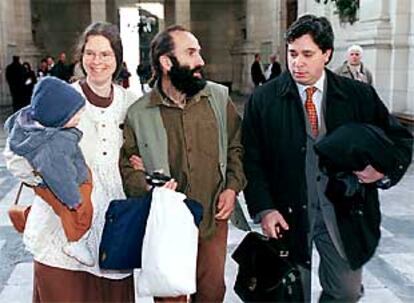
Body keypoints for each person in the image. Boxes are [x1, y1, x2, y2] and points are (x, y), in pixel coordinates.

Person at [242, 14, 413, 302]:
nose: (298, 62)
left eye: (307, 54)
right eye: (293, 53)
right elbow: (251, 158)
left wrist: (381, 171)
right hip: (288, 215)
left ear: (327, 54)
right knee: (291, 293)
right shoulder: (264, 99)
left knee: (345, 292)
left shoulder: (358, 95)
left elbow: (400, 140)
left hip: (343, 213)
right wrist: (264, 209)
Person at [4, 21, 137, 302]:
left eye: (105, 54)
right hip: (59, 230)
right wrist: (49, 181)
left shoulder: (132, 103)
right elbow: (15, 152)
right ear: (81, 56)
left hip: (113, 230)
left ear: (118, 59)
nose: (97, 61)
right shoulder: (62, 98)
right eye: (90, 53)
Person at [119, 25, 246, 302]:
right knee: (170, 296)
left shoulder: (219, 98)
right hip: (166, 225)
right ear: (166, 62)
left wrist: (232, 188)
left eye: (198, 51)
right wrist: (147, 185)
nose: (200, 60)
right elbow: (128, 168)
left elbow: (237, 147)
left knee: (212, 293)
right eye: (191, 52)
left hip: (213, 217)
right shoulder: (138, 114)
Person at [4, 76, 94, 266]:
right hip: (62, 184)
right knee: (79, 210)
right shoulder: (52, 147)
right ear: (57, 117)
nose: (80, 117)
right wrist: (73, 199)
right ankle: (76, 241)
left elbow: (11, 124)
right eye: (75, 114)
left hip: (49, 180)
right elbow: (59, 177)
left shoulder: (33, 120)